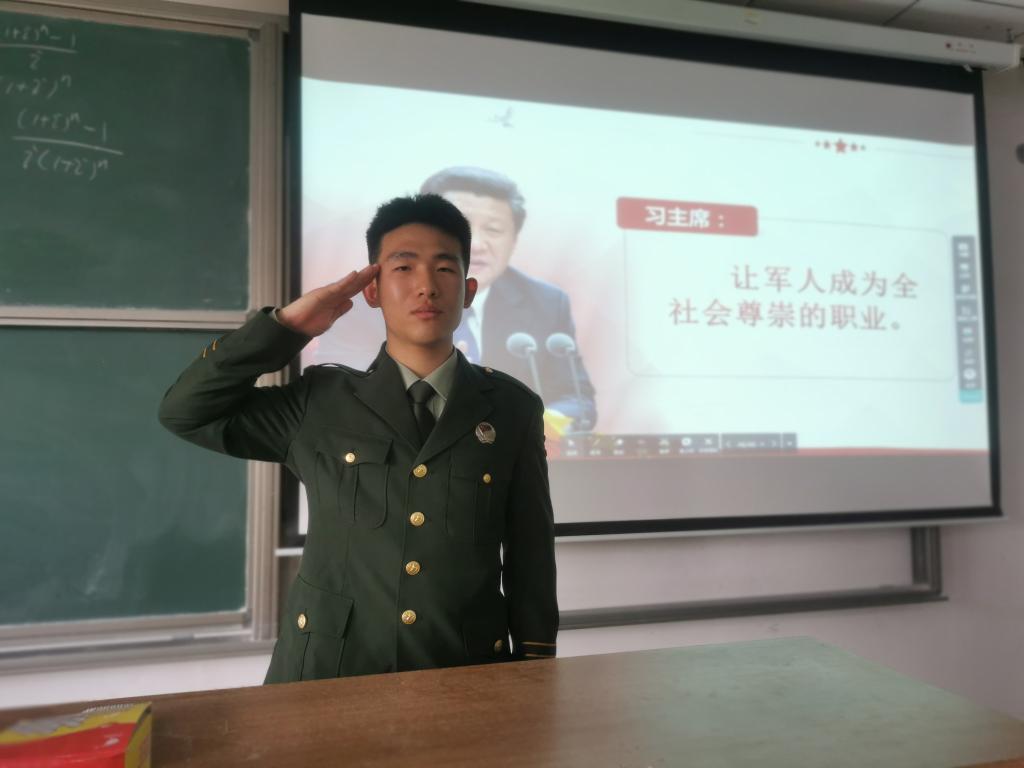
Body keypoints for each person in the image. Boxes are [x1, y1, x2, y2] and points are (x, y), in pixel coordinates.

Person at [159, 194, 558, 682]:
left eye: (444, 269)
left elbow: (530, 553)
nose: (426, 287)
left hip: (464, 670)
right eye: (404, 268)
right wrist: (285, 328)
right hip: (329, 671)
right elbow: (186, 412)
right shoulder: (320, 402)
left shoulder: (513, 409)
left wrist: (535, 667)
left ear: (469, 289)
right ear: (372, 289)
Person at [420, 166, 597, 432]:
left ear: (513, 241)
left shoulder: (546, 303)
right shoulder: (376, 300)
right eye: (459, 227)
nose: (476, 244)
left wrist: (533, 424)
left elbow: (577, 399)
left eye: (493, 229)